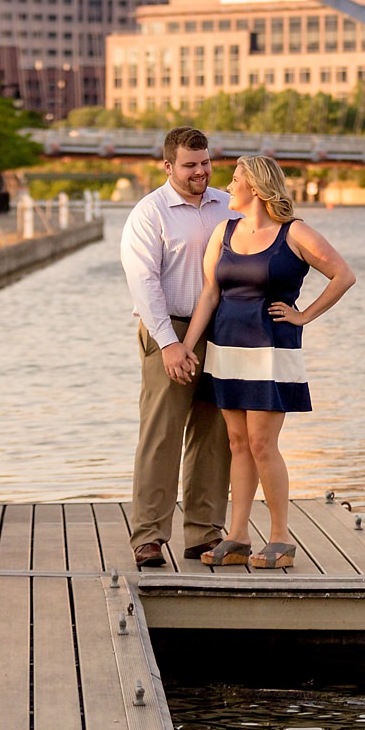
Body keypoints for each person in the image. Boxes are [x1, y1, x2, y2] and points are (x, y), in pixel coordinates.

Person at [185, 155, 358, 569]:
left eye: (235, 179)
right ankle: (238, 535)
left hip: (271, 349)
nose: (227, 185)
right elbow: (210, 294)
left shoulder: (294, 232)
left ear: (256, 188)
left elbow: (343, 275)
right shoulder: (223, 233)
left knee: (263, 444)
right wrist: (189, 346)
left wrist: (303, 315)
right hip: (227, 348)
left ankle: (280, 538)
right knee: (238, 444)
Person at [118, 126, 238, 567]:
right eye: (189, 165)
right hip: (167, 333)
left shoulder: (229, 205)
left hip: (223, 333)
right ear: (168, 166)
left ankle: (204, 535)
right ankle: (149, 537)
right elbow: (143, 282)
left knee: (215, 436)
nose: (200, 172)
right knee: (161, 436)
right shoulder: (149, 213)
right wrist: (169, 344)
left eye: (205, 163)